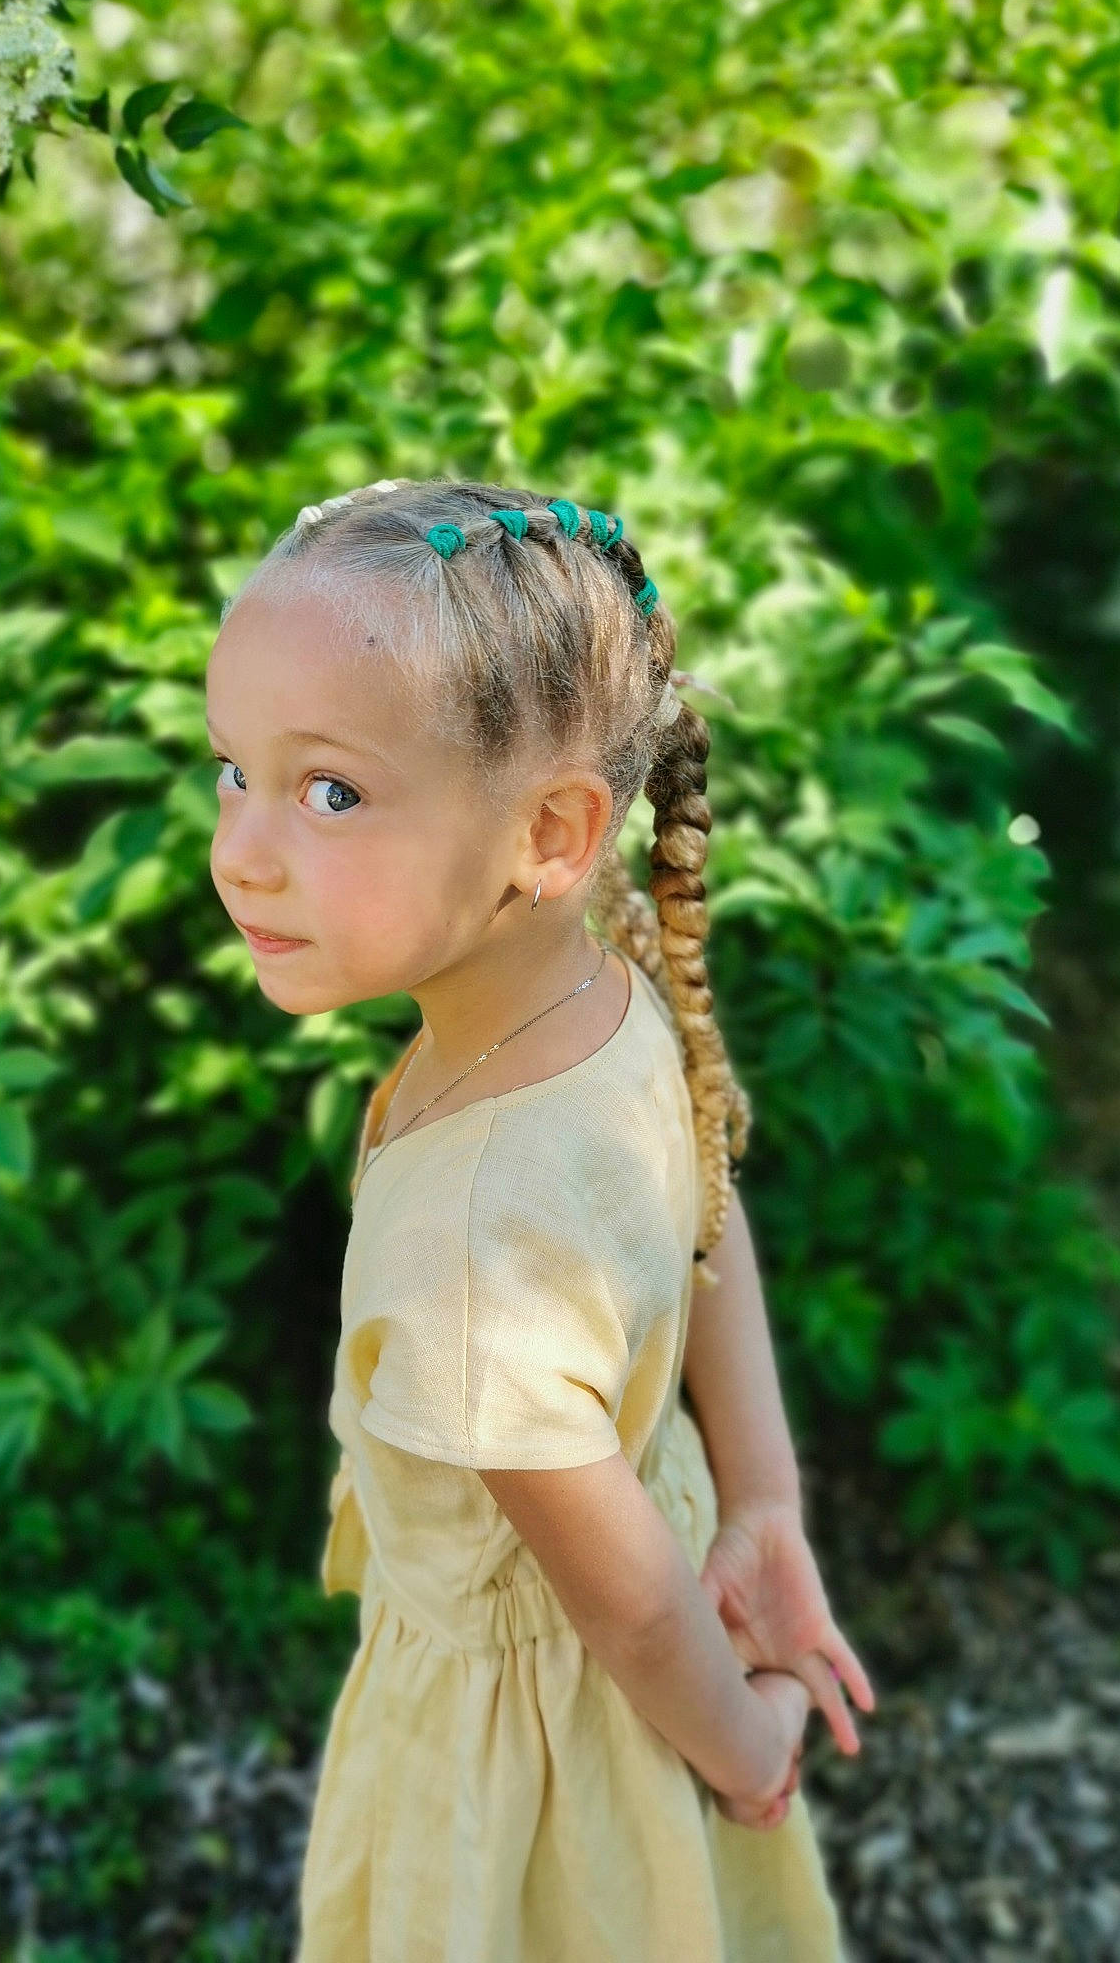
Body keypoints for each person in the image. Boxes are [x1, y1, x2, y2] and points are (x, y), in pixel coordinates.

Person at [204, 477, 875, 1961]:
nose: (242, 850)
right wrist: (761, 1502)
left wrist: (750, 1753)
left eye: (328, 792)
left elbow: (632, 1612)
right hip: (652, 1649)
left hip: (547, 1754)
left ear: (551, 834)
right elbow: (710, 1209)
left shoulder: (466, 1249)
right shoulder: (604, 993)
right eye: (230, 771)